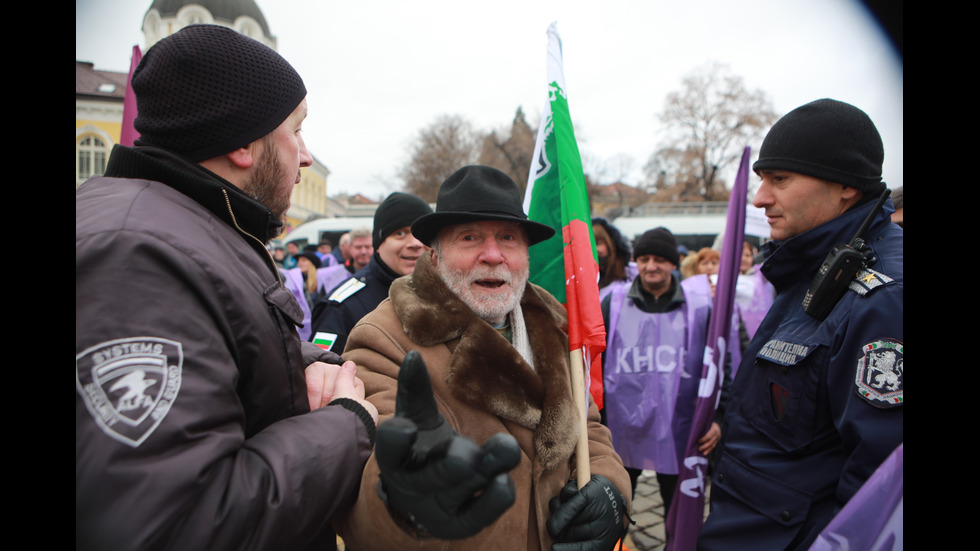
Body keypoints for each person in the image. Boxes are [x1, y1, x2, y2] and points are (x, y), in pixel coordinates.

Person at [76, 25, 378, 550]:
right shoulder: (137, 253)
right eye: (297, 130)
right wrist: (347, 426)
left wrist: (306, 370)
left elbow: (223, 342)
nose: (305, 157)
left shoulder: (187, 226)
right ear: (243, 143)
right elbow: (172, 525)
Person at [335, 165, 631, 550]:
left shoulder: (553, 324)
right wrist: (409, 500)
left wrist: (610, 490)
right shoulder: (383, 339)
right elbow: (368, 494)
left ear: (525, 254)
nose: (492, 256)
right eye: (469, 237)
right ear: (435, 256)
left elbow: (589, 430)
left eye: (508, 238)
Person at [698, 99, 903, 550]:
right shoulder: (815, 262)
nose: (760, 199)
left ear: (844, 185)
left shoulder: (884, 297)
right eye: (761, 180)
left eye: (780, 180)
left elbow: (879, 488)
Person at [599, 227, 724, 530]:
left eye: (658, 259)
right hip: (622, 429)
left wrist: (720, 417)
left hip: (680, 428)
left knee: (678, 515)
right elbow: (594, 363)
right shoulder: (612, 303)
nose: (650, 266)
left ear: (672, 263)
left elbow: (723, 363)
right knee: (614, 510)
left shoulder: (700, 308)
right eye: (643, 259)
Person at [309, 192, 433, 353]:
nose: (415, 243)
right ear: (378, 244)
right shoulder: (340, 309)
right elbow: (322, 370)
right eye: (400, 233)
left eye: (422, 233)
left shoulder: (448, 293)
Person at [592, 216, 636, 301]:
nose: (593, 249)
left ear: (610, 245)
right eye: (588, 244)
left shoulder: (632, 275)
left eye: (598, 243)